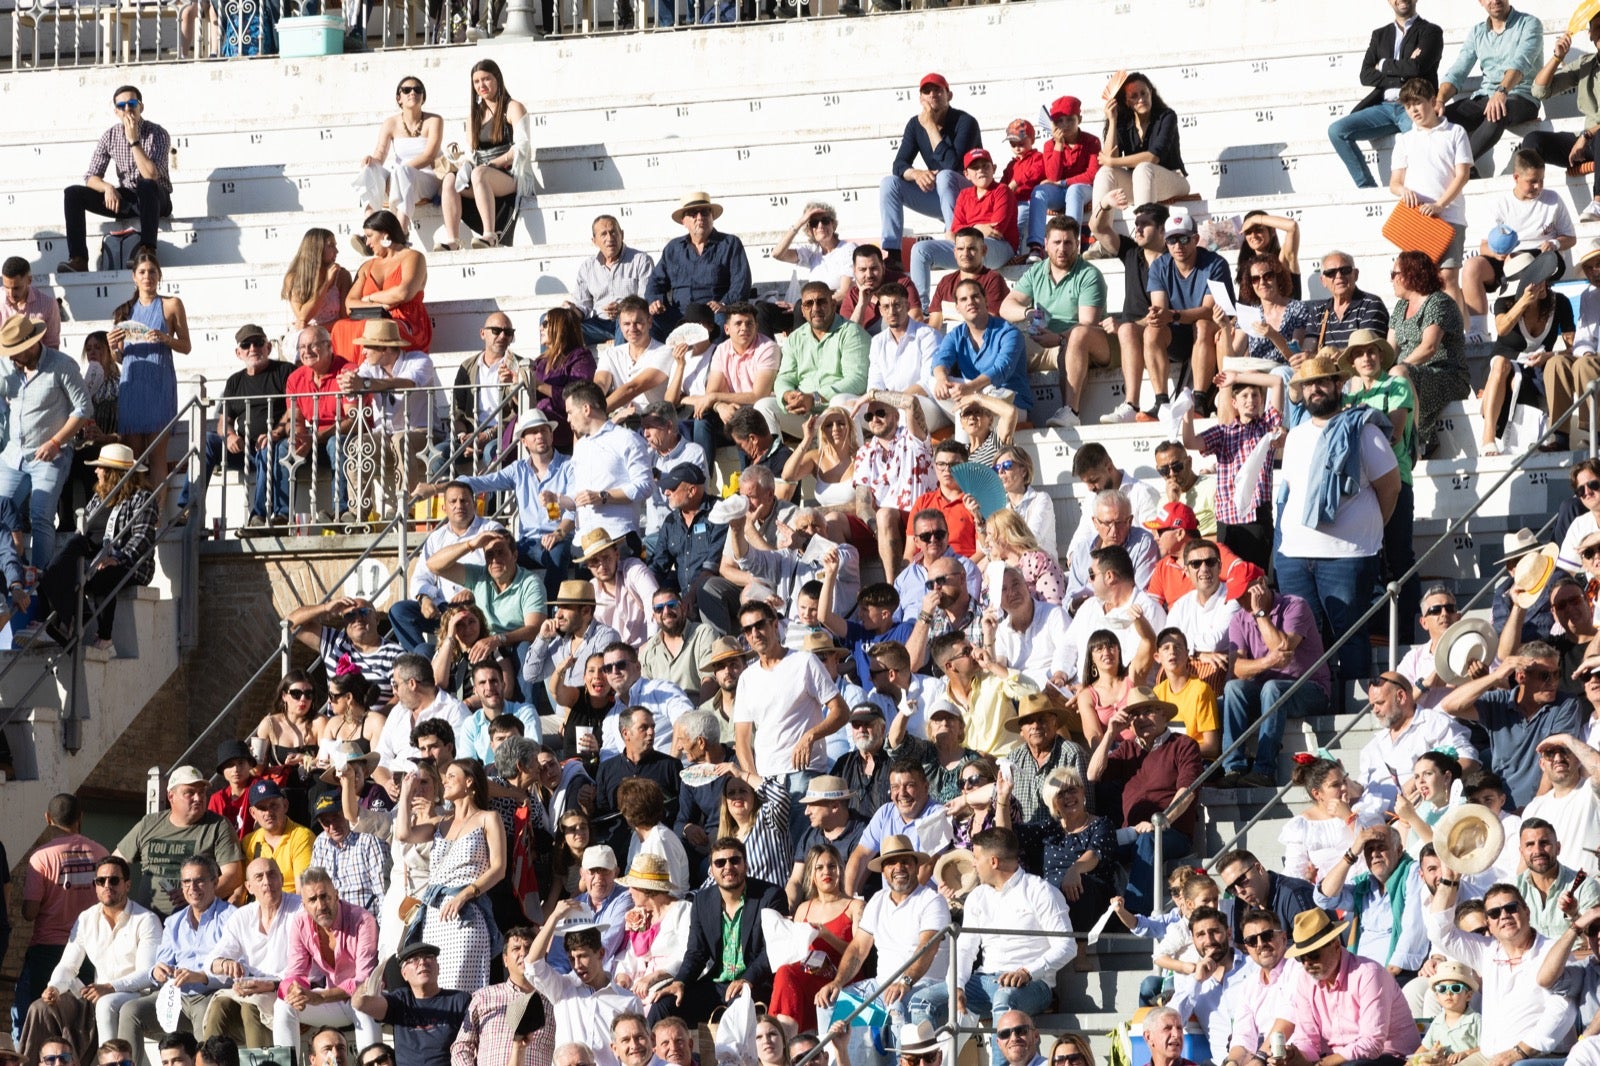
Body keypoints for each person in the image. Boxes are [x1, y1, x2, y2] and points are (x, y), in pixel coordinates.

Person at [1274, 356, 1400, 682]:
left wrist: (1369, 529)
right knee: (1305, 638)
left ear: (1338, 385)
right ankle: (1321, 705)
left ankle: (1353, 712)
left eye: (1322, 381)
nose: (1315, 389)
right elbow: (1290, 493)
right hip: (1295, 556)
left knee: (1349, 636)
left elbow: (1391, 488)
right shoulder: (1297, 436)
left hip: (1348, 555)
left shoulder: (1365, 431)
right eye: (1308, 384)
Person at [18, 856, 161, 1066]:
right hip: (94, 996)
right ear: (94, 885)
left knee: (106, 1003)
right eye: (100, 881)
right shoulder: (86, 918)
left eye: (114, 880)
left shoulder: (146, 920)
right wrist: (55, 987)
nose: (107, 886)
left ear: (127, 885)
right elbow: (68, 964)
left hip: (134, 995)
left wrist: (110, 987)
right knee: (41, 1008)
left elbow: (147, 974)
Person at [1428, 879, 1577, 1064]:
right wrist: (1448, 879)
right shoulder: (1486, 951)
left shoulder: (1554, 950)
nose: (1504, 915)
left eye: (1511, 907)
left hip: (1538, 1057)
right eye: (1494, 913)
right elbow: (1438, 933)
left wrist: (1520, 1052)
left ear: (1527, 911)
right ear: (1489, 924)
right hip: (1490, 1056)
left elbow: (1562, 1010)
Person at [815, 833, 951, 1032]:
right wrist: (837, 982)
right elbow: (859, 948)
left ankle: (901, 1062)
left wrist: (904, 982)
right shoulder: (878, 899)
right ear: (883, 871)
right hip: (881, 986)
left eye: (905, 861)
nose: (899, 868)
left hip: (924, 985)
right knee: (829, 1001)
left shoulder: (932, 900)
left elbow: (927, 947)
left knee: (895, 1005)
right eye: (891, 863)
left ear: (915, 866)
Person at [648, 837, 789, 1027]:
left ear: (745, 865)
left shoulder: (770, 896)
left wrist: (747, 979)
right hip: (717, 985)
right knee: (662, 1007)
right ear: (712, 870)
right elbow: (696, 953)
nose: (728, 867)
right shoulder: (702, 901)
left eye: (735, 860)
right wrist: (679, 982)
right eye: (720, 863)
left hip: (755, 983)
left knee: (738, 1008)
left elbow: (773, 948)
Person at [1086, 689, 1202, 914]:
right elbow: (1092, 775)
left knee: (1147, 840)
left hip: (1171, 832)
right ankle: (1096, 914)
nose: (1141, 719)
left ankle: (1135, 915)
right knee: (1092, 844)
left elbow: (1187, 793)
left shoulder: (1184, 744)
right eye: (1135, 715)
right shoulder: (1127, 749)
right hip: (1131, 834)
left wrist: (1160, 822)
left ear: (1164, 716)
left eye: (1148, 711)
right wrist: (1110, 733)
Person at [394, 758, 505, 990]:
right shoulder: (441, 822)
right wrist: (406, 793)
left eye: (452, 776)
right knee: (437, 986)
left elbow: (499, 868)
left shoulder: (488, 818)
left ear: (470, 782)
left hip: (467, 912)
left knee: (462, 986)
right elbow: (404, 834)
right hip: (434, 915)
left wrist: (465, 894)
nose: (445, 782)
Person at [36, 443, 157, 651]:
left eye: (100, 467)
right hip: (95, 557)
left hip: (129, 564)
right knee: (52, 571)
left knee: (103, 575)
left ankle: (104, 635)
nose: (96, 471)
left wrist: (117, 558)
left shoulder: (143, 498)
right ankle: (67, 620)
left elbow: (142, 538)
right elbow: (83, 532)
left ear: (113, 473)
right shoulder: (100, 496)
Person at [1217, 576, 1331, 790]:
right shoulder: (1239, 619)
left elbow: (1282, 645)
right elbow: (1236, 670)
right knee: (1233, 688)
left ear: (1260, 584)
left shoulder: (1295, 606)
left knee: (1272, 688)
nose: (1242, 602)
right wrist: (1268, 661)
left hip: (1310, 688)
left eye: (1245, 594)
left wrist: (1260, 613)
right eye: (1238, 597)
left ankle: (1264, 771)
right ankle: (1233, 768)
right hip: (1266, 693)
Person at [732, 600, 849, 808]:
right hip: (766, 778)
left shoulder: (804, 662)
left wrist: (810, 736)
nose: (755, 633)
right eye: (748, 629)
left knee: (802, 840)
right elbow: (742, 738)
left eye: (759, 625)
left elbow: (841, 711)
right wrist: (753, 780)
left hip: (803, 773)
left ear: (775, 625)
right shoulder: (747, 678)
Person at [1441, 641, 1587, 808]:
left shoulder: (1566, 704)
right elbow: (1449, 705)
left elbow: (1553, 758)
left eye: (1556, 674)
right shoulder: (1498, 703)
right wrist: (1495, 676)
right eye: (1545, 676)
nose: (1553, 682)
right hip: (1501, 808)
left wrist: (1534, 809)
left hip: (1545, 806)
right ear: (1521, 676)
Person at [1268, 908, 1419, 1066]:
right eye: (1301, 958)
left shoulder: (1368, 973)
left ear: (1335, 945)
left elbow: (1372, 1045)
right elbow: (1307, 1040)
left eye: (1313, 955)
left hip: (1391, 1058)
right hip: (1339, 1060)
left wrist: (1321, 1064)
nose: (1307, 964)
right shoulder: (1305, 981)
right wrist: (1295, 1055)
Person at [1000, 217, 1109, 430]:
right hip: (1044, 340)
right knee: (1005, 339)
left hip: (1083, 343)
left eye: (1068, 243)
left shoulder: (1089, 275)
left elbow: (1087, 324)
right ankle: (1014, 412)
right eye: (1057, 242)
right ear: (1045, 244)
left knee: (1076, 337)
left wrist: (1058, 338)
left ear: (1077, 245)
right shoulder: (1036, 271)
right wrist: (1028, 311)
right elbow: (1006, 307)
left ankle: (1070, 411)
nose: (1062, 249)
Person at [15, 795, 109, 1041]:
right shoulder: (101, 852)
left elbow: (30, 912)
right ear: (81, 817)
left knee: (42, 1021)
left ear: (48, 819)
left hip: (47, 950)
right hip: (90, 951)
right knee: (83, 1022)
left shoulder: (41, 857)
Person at [116, 855, 233, 1050]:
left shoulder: (232, 918)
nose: (192, 887)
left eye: (199, 881)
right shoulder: (174, 921)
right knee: (130, 1011)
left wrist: (201, 977)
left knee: (207, 1016)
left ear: (215, 882)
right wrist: (158, 972)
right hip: (175, 995)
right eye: (186, 882)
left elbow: (236, 971)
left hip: (211, 995)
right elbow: (160, 964)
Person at [1327, 0, 1445, 189]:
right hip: (1384, 107)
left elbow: (1417, 67)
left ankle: (1423, 188)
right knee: (1337, 131)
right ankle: (1367, 187)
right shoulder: (1380, 35)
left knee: (1423, 139)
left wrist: (1382, 65)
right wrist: (1402, 75)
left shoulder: (1431, 32)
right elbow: (1365, 75)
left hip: (1415, 106)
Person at [59, 85, 172, 274]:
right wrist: (107, 187)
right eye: (122, 106)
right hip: (127, 198)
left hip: (156, 197)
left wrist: (134, 141)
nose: (127, 109)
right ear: (116, 111)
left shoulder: (157, 133)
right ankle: (78, 259)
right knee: (72, 194)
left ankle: (147, 251)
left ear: (140, 107)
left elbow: (151, 175)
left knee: (145, 185)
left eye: (132, 103)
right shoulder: (110, 136)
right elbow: (91, 176)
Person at [878, 73, 981, 267]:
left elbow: (953, 165)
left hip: (967, 196)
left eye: (938, 90)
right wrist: (916, 173)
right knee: (889, 184)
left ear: (949, 95)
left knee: (944, 176)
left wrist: (930, 126)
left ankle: (954, 241)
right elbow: (898, 165)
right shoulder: (915, 124)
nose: (932, 95)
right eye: (927, 91)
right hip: (940, 195)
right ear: (921, 99)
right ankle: (893, 253)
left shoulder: (966, 121)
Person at [273, 867, 381, 1051]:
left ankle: (371, 1061)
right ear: (304, 904)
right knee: (283, 1005)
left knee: (363, 1000)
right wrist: (295, 992)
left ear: (336, 895)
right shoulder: (300, 923)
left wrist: (320, 996)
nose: (321, 905)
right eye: (313, 900)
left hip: (367, 999)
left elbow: (364, 980)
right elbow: (294, 973)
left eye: (325, 896)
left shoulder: (363, 919)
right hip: (334, 1001)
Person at [115, 767, 245, 918]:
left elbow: (234, 875)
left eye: (202, 792)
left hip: (196, 923)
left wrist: (196, 896)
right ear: (171, 796)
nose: (198, 798)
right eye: (190, 792)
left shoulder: (218, 826)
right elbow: (116, 863)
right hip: (148, 923)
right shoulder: (149, 824)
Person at [1479, 250, 1573, 456]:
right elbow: (1502, 328)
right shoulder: (1505, 303)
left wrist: (1550, 355)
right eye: (1534, 281)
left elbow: (1571, 347)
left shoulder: (1561, 303)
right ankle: (1488, 438)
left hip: (1542, 364)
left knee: (1554, 367)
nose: (1541, 284)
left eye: (1542, 278)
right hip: (1505, 366)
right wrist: (1524, 302)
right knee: (1502, 364)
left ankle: (1553, 437)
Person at [526, 903, 643, 1066]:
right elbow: (532, 964)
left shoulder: (628, 1001)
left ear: (600, 953)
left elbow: (637, 1055)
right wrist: (553, 918)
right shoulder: (562, 988)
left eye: (583, 956)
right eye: (571, 958)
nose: (577, 964)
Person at [200, 858, 299, 1049]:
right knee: (220, 1004)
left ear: (281, 878)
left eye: (272, 875)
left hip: (288, 990)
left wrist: (270, 985)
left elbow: (310, 971)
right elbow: (211, 961)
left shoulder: (299, 910)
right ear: (249, 887)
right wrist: (224, 964)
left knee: (251, 1006)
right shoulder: (242, 916)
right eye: (259, 877)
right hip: (254, 989)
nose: (266, 882)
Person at [1436, 0, 1543, 173]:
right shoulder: (1477, 32)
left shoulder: (1530, 24)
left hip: (1521, 96)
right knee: (1439, 119)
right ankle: (1469, 172)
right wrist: (1440, 99)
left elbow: (1521, 63)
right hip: (1486, 96)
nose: (1494, 1)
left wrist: (1502, 91)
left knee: (1498, 109)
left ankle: (1459, 168)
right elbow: (1458, 71)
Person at [435, 60, 531, 251]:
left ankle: (490, 235)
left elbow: (522, 148)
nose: (481, 85)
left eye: (486, 79)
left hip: (510, 175)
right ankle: (453, 240)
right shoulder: (474, 115)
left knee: (479, 174)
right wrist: (463, 165)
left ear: (498, 80)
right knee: (449, 181)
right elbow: (472, 153)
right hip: (481, 172)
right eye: (477, 81)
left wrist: (493, 164)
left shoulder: (513, 107)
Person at [1313, 826, 1430, 981]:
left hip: (1396, 973)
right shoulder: (1364, 884)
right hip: (1359, 974)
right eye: (1369, 850)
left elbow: (1413, 925)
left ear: (1399, 850)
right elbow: (1324, 898)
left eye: (1381, 847)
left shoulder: (1412, 872)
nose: (1375, 854)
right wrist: (1352, 853)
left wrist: (1392, 970)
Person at [908, 152, 1017, 313]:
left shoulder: (1002, 190)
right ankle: (921, 310)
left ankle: (981, 304)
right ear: (966, 174)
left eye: (985, 166)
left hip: (1000, 247)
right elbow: (955, 230)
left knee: (979, 245)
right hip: (970, 245)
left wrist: (968, 228)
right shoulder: (964, 195)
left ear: (993, 169)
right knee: (920, 250)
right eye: (975, 168)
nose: (981, 171)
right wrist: (979, 227)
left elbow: (996, 229)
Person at [767, 844, 860, 1033]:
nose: (827, 871)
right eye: (820, 867)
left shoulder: (855, 906)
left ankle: (783, 1039)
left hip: (843, 978)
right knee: (785, 972)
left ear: (840, 871)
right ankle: (784, 1037)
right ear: (812, 874)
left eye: (832, 866)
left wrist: (826, 934)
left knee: (786, 974)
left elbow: (859, 952)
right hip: (811, 976)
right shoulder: (803, 909)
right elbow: (796, 952)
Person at [1144, 213, 1228, 418]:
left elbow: (1209, 311)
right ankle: (1161, 402)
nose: (1178, 245)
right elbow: (1159, 309)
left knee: (1203, 324)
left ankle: (1198, 401)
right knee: (1152, 330)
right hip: (1178, 333)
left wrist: (1171, 315)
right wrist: (1160, 316)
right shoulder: (1159, 266)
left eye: (1184, 239)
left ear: (1196, 239)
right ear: (1166, 242)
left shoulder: (1216, 264)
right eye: (1172, 240)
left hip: (1209, 331)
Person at [759, 285, 869, 440]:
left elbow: (857, 381)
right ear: (802, 311)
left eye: (821, 302)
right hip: (805, 413)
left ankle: (850, 460)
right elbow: (784, 377)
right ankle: (776, 460)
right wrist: (788, 395)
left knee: (840, 401)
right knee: (763, 407)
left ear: (832, 304)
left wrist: (815, 398)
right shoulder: (795, 338)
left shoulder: (852, 333)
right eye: (809, 304)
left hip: (838, 411)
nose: (816, 308)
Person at [646, 192, 753, 338]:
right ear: (684, 221)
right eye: (693, 213)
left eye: (704, 212)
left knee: (725, 322)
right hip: (680, 314)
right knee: (649, 322)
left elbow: (741, 283)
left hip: (713, 313)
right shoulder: (673, 248)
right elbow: (655, 282)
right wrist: (654, 302)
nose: (700, 217)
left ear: (712, 216)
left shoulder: (730, 244)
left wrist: (724, 304)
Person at [331, 210, 431, 365]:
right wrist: (381, 305)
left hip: (407, 321)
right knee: (340, 327)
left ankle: (362, 379)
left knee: (370, 327)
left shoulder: (413, 257)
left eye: (370, 236)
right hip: (373, 318)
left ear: (385, 234)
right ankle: (348, 375)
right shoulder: (367, 266)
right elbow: (350, 304)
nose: (367, 243)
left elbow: (404, 293)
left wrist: (369, 298)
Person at [350, 940, 470, 1066]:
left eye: (429, 957)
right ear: (404, 974)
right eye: (414, 960)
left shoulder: (459, 1000)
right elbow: (359, 1004)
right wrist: (366, 988)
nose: (422, 962)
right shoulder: (400, 1001)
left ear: (438, 968)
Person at [931, 280, 1032, 429]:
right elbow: (941, 359)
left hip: (1008, 402)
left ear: (985, 300)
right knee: (933, 381)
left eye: (975, 296)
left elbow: (1001, 369)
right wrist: (941, 379)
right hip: (972, 398)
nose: (970, 302)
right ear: (957, 307)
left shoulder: (1009, 332)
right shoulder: (955, 335)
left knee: (974, 405)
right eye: (964, 299)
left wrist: (970, 388)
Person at [355, 76, 444, 237]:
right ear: (399, 98)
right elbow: (380, 154)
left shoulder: (434, 120)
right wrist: (371, 161)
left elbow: (429, 156)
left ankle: (400, 233)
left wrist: (398, 173)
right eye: (406, 90)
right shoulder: (390, 123)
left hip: (427, 179)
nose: (412, 93)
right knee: (369, 170)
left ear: (423, 96)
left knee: (401, 172)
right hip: (399, 179)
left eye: (418, 90)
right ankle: (369, 230)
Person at [1093, 72, 1190, 214]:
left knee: (1143, 168)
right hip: (1139, 182)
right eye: (1134, 96)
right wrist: (1112, 120)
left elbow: (1153, 157)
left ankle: (1144, 228)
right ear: (1126, 101)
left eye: (1144, 93)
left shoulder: (1167, 116)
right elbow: (1109, 158)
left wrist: (1114, 162)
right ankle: (1100, 231)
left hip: (1173, 180)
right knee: (1105, 173)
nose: (1141, 99)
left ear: (1151, 93)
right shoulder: (1124, 122)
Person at [1022, 96, 1101, 257]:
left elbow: (1092, 175)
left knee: (1074, 190)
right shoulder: (1050, 144)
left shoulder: (1091, 141)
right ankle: (1036, 246)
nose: (1065, 125)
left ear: (1079, 119)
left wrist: (1064, 182)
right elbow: (1052, 175)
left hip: (1083, 190)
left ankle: (1071, 242)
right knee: (1039, 191)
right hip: (1060, 190)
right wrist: (1058, 144)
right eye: (1059, 121)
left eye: (1070, 120)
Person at [570, 216, 656, 348]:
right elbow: (583, 306)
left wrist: (623, 308)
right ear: (594, 241)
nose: (610, 238)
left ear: (622, 234)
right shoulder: (587, 267)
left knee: (624, 319)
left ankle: (619, 366)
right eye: (603, 234)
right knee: (556, 325)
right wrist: (570, 311)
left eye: (613, 232)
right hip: (598, 324)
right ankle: (545, 368)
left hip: (630, 321)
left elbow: (645, 301)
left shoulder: (641, 260)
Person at [1521, 733, 1600, 874]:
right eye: (1550, 753)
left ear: (1578, 758)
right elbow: (1524, 863)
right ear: (1542, 764)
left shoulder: (1592, 791)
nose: (1558, 758)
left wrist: (1568, 739)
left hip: (1590, 888)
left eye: (1565, 750)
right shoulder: (1534, 808)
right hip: (1552, 892)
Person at [770, 202, 856, 304]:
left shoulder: (848, 249)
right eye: (814, 223)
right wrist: (800, 222)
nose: (820, 226)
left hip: (835, 307)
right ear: (809, 230)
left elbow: (844, 293)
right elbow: (777, 254)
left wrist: (809, 306)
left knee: (798, 307)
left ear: (833, 224)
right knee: (765, 309)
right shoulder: (812, 251)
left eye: (825, 221)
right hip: (814, 307)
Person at [241, 780, 315, 894]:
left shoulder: (302, 837)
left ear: (285, 805)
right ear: (253, 813)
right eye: (262, 808)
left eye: (273, 805)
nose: (268, 812)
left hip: (293, 907)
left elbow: (303, 891)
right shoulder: (249, 842)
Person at [1310, 251, 1392, 349]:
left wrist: (1330, 354)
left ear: (1356, 274)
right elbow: (1308, 348)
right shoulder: (1318, 311)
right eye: (1331, 272)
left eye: (1345, 270)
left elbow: (1367, 350)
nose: (1339, 276)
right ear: (1323, 281)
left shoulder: (1371, 304)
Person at [281, 230, 353, 339]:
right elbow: (303, 317)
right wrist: (326, 283)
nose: (336, 251)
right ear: (316, 250)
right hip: (305, 337)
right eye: (331, 246)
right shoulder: (293, 278)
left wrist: (317, 328)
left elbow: (345, 319)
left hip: (333, 334)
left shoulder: (342, 276)